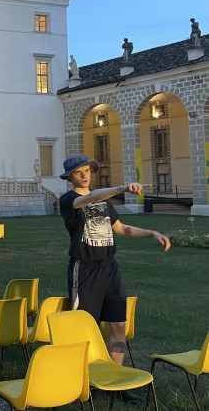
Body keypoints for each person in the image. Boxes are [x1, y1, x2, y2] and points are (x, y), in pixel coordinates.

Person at [59, 155, 170, 375]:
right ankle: (83, 379)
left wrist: (152, 233)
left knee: (118, 325)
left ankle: (115, 375)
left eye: (87, 171)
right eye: (78, 172)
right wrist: (122, 188)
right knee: (84, 328)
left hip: (110, 269)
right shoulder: (68, 200)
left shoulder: (104, 201)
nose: (84, 175)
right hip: (85, 270)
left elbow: (120, 228)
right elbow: (90, 198)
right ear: (70, 176)